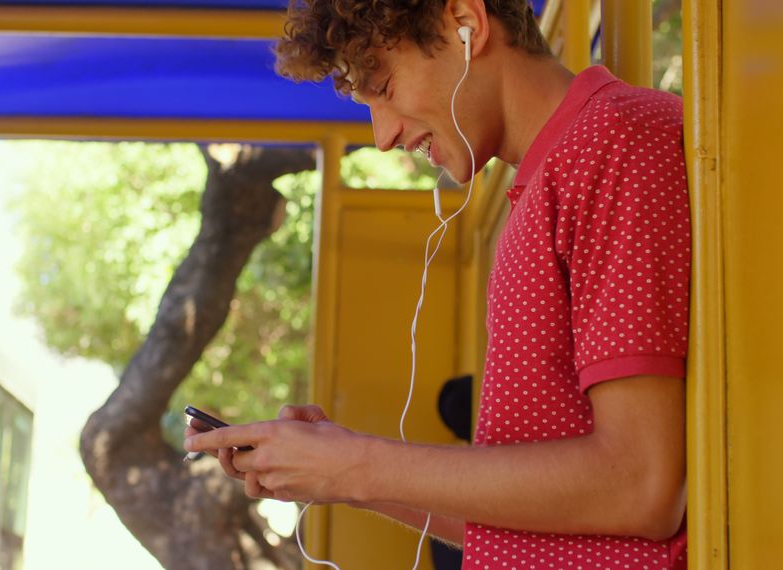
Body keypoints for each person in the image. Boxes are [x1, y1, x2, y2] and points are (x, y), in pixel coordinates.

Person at [185, 0, 691, 567]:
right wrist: (339, 474)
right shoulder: (552, 175)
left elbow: (642, 485)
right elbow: (538, 518)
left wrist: (360, 464)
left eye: (383, 85)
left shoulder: (615, 142)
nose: (382, 136)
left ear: (466, 24)